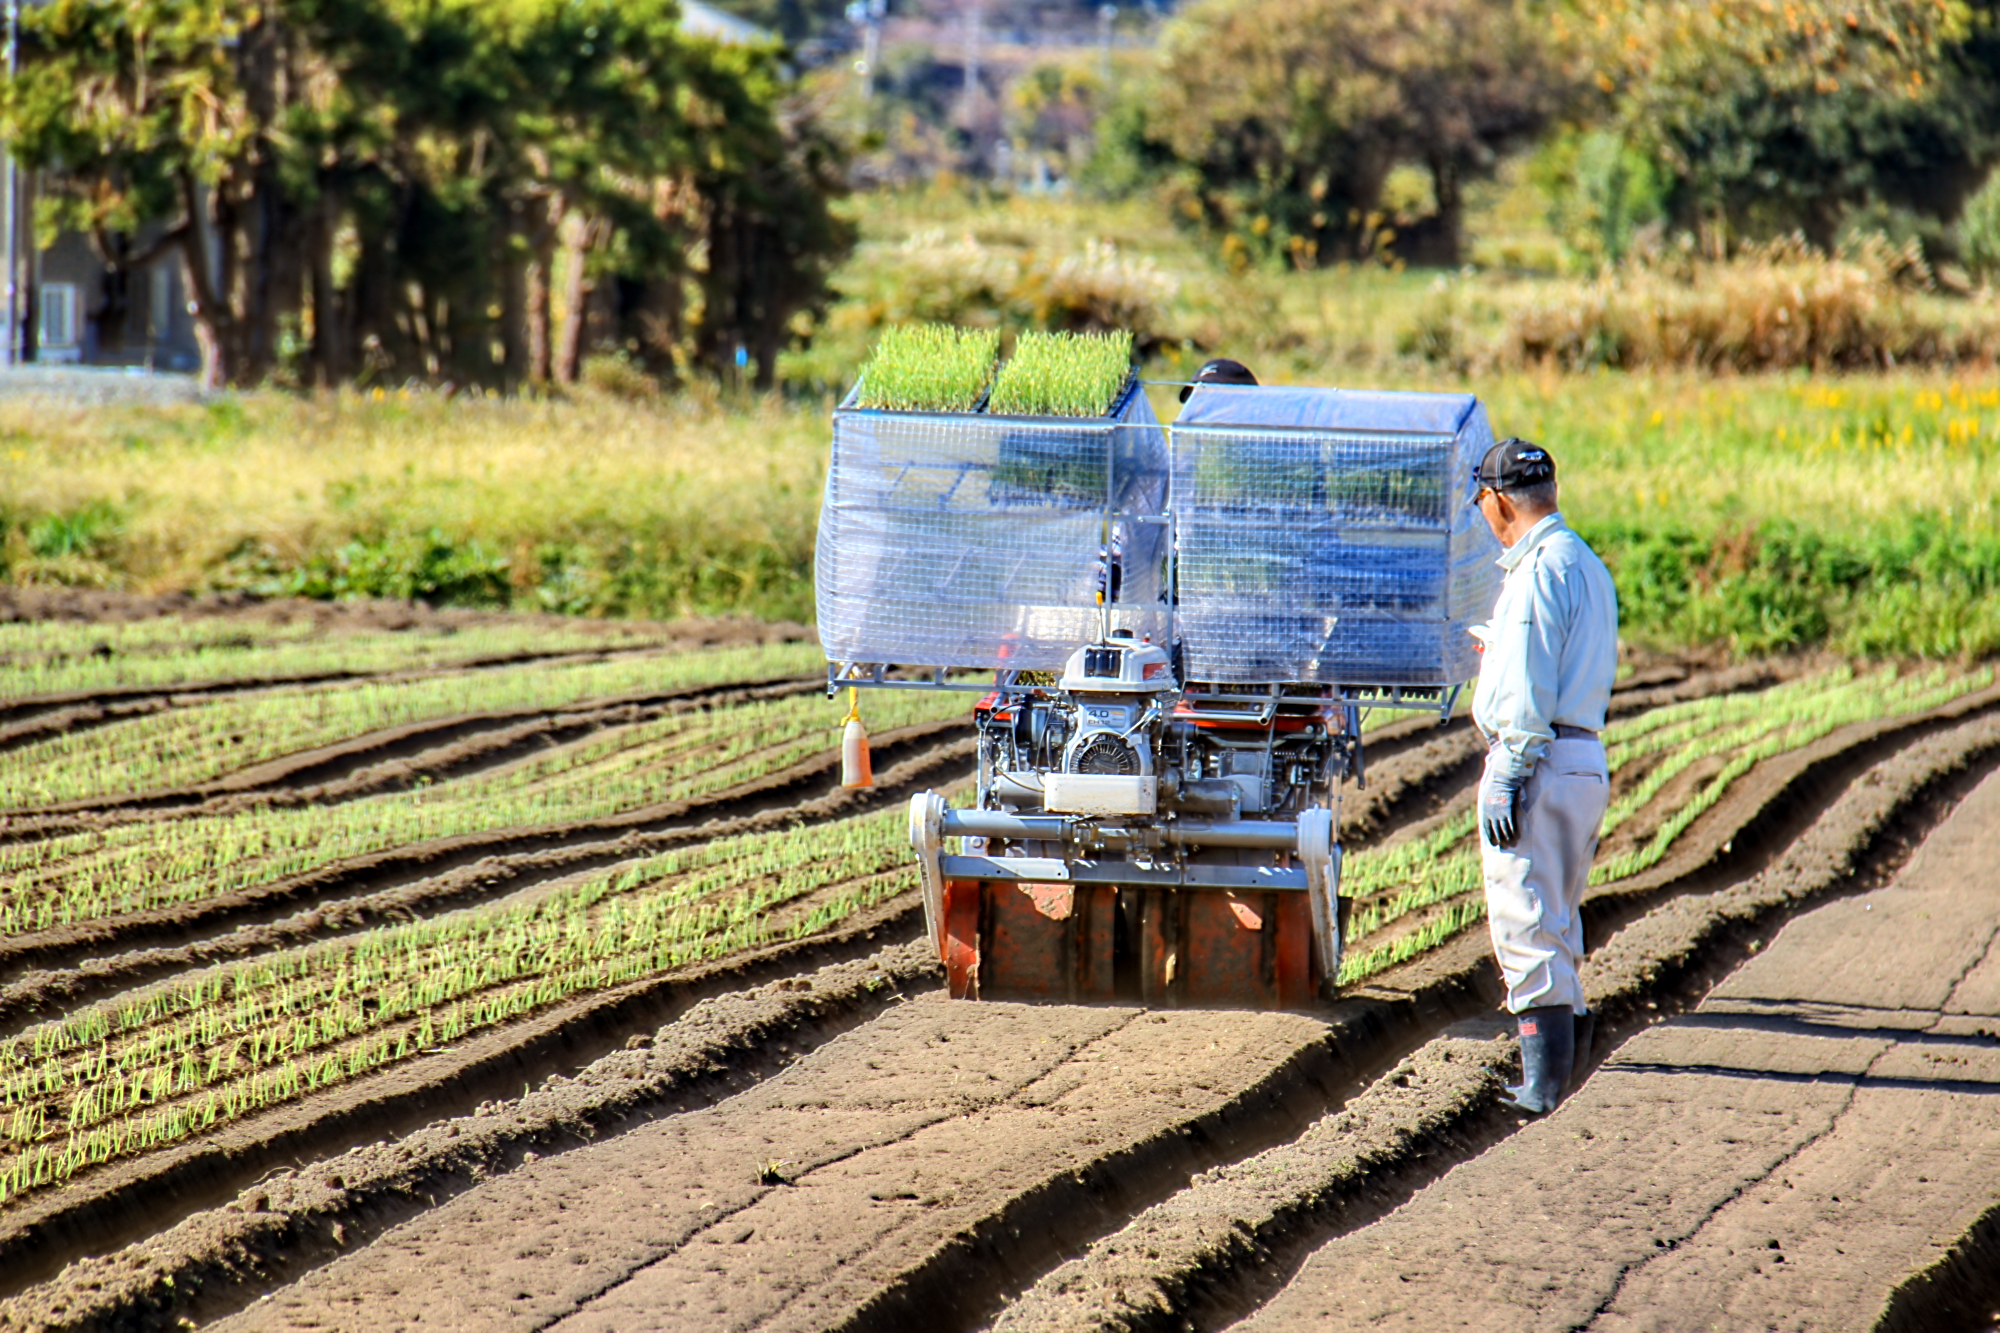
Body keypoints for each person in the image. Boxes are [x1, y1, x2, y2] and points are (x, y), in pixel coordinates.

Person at [1470, 438, 1619, 1115]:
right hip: (1583, 754)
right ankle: (1562, 1078)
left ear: (1498, 501)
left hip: (1542, 758)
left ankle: (1544, 1086)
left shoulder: (1534, 572)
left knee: (1525, 916)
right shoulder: (1584, 562)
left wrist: (1508, 769)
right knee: (1556, 916)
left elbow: (1530, 684)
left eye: (1481, 499)